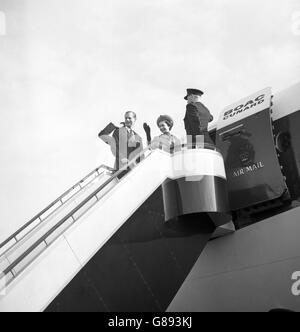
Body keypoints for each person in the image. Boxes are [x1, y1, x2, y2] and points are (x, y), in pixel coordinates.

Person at [98, 111, 144, 178]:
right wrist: (113, 126)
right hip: (120, 168)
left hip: (134, 170)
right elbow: (113, 146)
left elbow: (141, 155)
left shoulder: (138, 137)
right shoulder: (118, 131)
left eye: (129, 118)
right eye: (126, 118)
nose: (127, 120)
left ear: (134, 119)